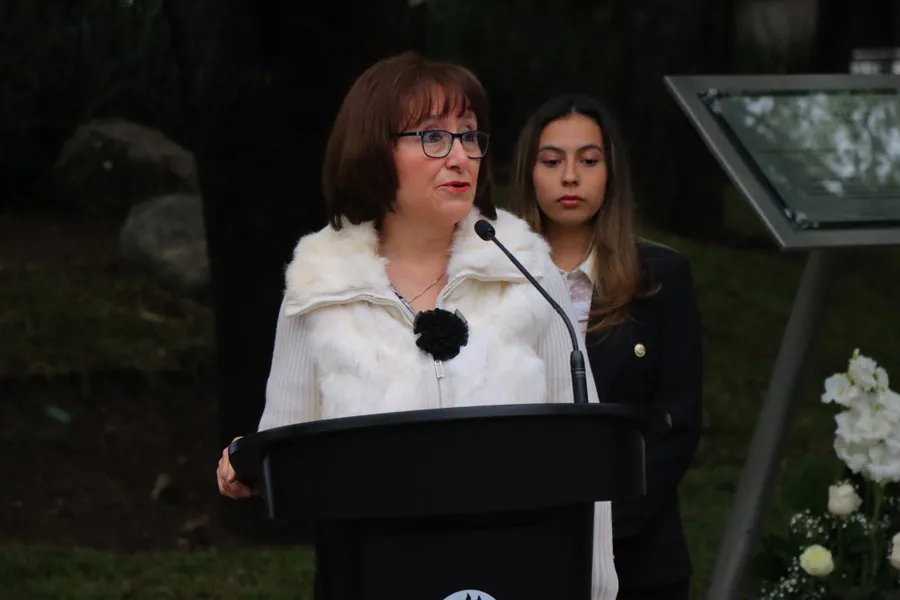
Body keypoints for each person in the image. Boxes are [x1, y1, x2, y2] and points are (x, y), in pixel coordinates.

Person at [215, 54, 618, 599]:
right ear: (375, 150)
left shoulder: (523, 266)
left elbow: (584, 454)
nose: (460, 158)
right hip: (377, 573)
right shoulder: (320, 285)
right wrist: (246, 462)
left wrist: (595, 588)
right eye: (433, 137)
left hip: (519, 571)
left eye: (471, 137)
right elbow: (285, 452)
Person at [510, 93, 704, 600]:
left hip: (641, 558)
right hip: (525, 553)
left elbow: (677, 425)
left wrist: (602, 532)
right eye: (552, 161)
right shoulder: (494, 280)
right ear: (530, 173)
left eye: (588, 160)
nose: (570, 176)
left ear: (611, 172)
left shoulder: (661, 278)